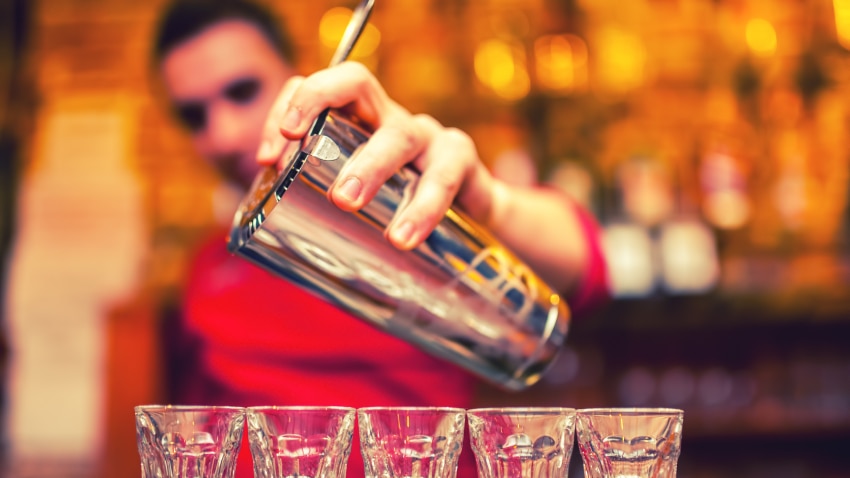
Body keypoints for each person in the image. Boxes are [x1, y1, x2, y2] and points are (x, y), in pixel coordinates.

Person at [151, 0, 609, 476]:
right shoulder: (206, 268)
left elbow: (587, 264)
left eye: (242, 91)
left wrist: (491, 204)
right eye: (193, 116)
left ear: (294, 72)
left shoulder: (406, 204)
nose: (222, 134)